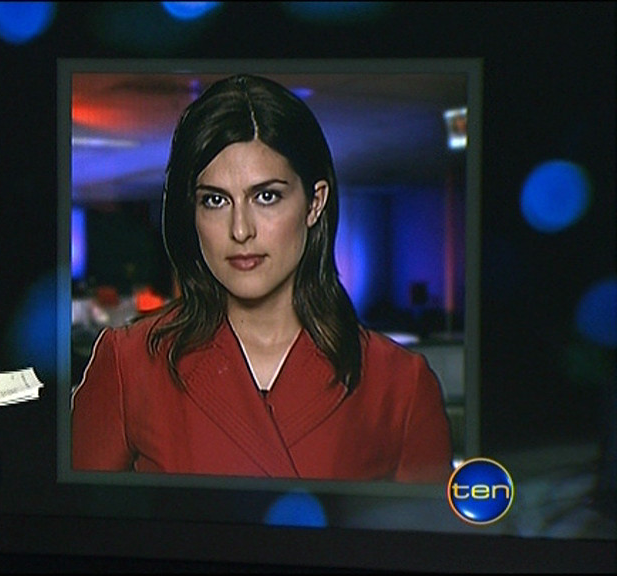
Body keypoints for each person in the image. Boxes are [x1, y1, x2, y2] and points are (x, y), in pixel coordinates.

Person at [70, 74, 453, 483]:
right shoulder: (129, 365)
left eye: (266, 196)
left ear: (314, 203)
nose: (240, 230)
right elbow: (74, 517)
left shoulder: (400, 386)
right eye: (215, 200)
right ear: (191, 213)